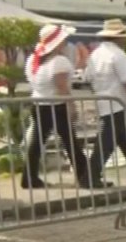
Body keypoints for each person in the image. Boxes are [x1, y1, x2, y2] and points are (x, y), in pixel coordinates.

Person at [84, 19, 126, 187]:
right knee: (107, 143)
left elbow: (87, 77)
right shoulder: (120, 56)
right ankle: (90, 177)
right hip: (120, 103)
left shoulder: (95, 54)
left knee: (125, 138)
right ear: (120, 37)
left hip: (105, 103)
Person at [21, 23, 90, 189]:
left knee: (37, 144)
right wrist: (71, 105)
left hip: (39, 104)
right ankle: (85, 176)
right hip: (56, 106)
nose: (65, 42)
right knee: (70, 142)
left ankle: (29, 178)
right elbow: (62, 87)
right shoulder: (59, 61)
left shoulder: (33, 60)